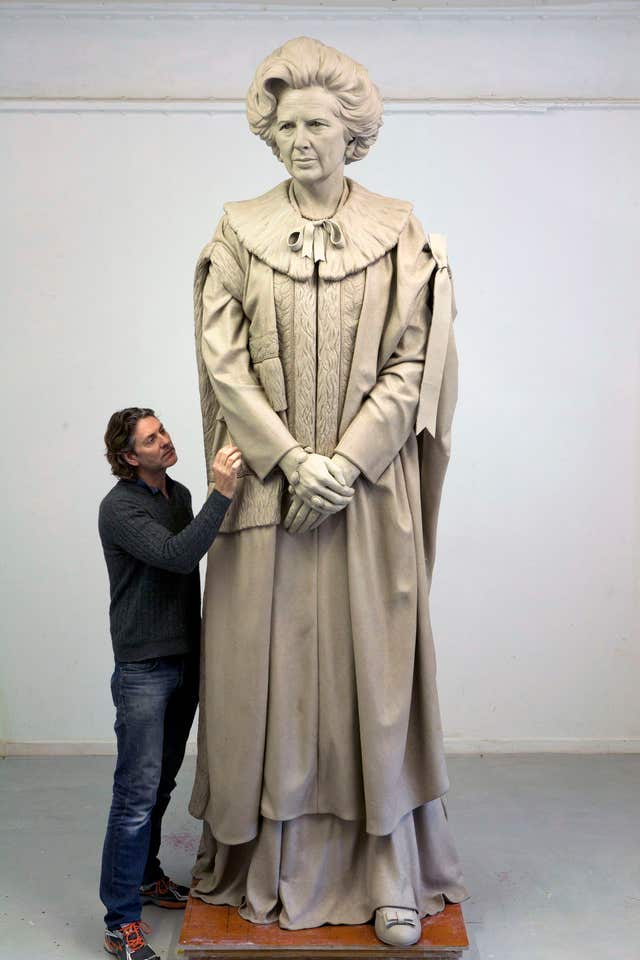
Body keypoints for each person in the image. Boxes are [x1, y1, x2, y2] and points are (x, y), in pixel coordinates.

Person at [190, 37, 468, 947]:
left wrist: (344, 462)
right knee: (264, 682)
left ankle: (386, 865)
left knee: (374, 679)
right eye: (286, 124)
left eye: (318, 124)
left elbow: (412, 361)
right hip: (270, 502)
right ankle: (258, 860)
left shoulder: (400, 233)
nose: (300, 139)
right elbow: (222, 361)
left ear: (354, 133)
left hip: (366, 497)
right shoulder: (240, 229)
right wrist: (286, 459)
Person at [98, 406, 241, 960]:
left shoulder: (175, 494)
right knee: (134, 795)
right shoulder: (119, 509)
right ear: (129, 457)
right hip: (143, 669)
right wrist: (222, 495)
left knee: (159, 787)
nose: (166, 442)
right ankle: (120, 920)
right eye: (151, 439)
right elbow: (179, 557)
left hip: (184, 660)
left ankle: (146, 875)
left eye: (163, 433)